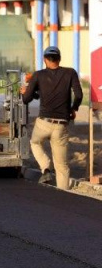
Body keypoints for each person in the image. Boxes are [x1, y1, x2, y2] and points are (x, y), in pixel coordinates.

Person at [21, 45, 82, 190]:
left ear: (45, 60)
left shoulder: (38, 75)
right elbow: (79, 95)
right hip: (61, 124)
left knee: (35, 143)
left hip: (44, 123)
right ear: (59, 59)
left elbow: (26, 99)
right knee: (62, 165)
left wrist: (25, 92)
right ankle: (63, 195)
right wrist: (74, 108)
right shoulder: (70, 73)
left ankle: (46, 168)